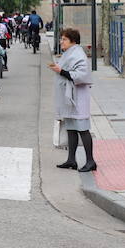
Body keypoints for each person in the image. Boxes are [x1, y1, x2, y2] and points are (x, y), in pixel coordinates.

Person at [49, 28, 96, 172]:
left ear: (73, 41)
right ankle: (71, 159)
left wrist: (60, 71)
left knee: (82, 128)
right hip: (70, 98)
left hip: (78, 97)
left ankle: (90, 161)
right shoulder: (70, 53)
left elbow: (82, 75)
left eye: (64, 39)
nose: (61, 41)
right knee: (71, 128)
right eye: (61, 39)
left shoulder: (78, 54)